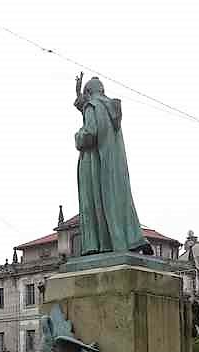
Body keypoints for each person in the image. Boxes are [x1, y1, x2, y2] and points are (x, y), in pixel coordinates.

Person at [74, 73, 151, 257]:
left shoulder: (92, 106)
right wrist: (79, 96)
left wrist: (78, 137)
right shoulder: (109, 108)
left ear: (89, 93)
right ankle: (130, 239)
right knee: (118, 202)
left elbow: (90, 133)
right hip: (114, 165)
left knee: (94, 203)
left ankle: (99, 245)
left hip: (95, 165)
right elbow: (87, 108)